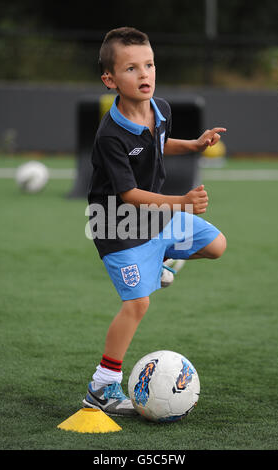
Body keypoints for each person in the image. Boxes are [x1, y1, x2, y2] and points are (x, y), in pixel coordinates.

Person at [84, 27, 227, 416]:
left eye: (148, 64)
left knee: (216, 245)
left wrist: (194, 144)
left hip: (155, 220)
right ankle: (101, 387)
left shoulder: (159, 107)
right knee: (138, 303)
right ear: (110, 80)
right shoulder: (110, 134)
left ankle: (159, 262)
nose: (144, 74)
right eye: (131, 68)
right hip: (118, 227)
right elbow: (128, 195)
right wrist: (181, 202)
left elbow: (159, 142)